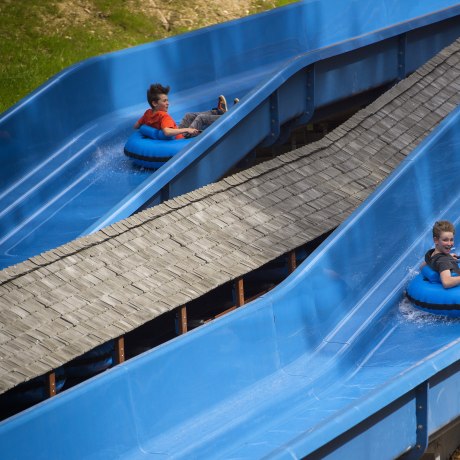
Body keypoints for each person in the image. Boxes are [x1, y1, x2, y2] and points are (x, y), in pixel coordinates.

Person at [134, 83, 229, 138]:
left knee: (188, 115)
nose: (168, 103)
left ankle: (218, 111)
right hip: (182, 137)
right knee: (201, 118)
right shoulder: (163, 116)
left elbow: (136, 126)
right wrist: (188, 129)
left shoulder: (148, 113)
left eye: (167, 100)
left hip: (177, 132)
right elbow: (167, 132)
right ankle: (226, 116)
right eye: (164, 101)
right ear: (155, 103)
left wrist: (149, 130)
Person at [422, 220, 460, 288]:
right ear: (436, 240)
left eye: (451, 240)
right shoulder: (444, 261)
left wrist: (449, 257)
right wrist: (447, 260)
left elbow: (422, 266)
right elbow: (447, 282)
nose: (449, 244)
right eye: (445, 240)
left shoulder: (431, 253)